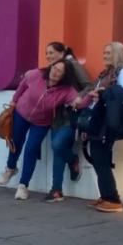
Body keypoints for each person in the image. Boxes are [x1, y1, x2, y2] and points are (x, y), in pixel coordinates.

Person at [0, 59, 88, 200]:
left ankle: (23, 185)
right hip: (21, 112)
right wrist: (14, 100)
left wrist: (88, 98)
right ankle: (10, 168)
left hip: (41, 122)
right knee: (15, 141)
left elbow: (79, 102)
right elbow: (23, 85)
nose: (55, 72)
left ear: (64, 76)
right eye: (54, 67)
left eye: (59, 71)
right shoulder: (36, 74)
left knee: (31, 149)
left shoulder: (66, 90)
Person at [81, 41, 123, 213]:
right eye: (104, 53)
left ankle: (112, 199)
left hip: (108, 121)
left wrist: (103, 94)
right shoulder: (106, 73)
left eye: (109, 53)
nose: (105, 56)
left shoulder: (122, 72)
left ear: (118, 54)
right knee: (98, 158)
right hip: (100, 119)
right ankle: (106, 195)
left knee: (101, 158)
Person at [42, 42, 93, 203]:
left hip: (71, 116)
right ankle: (56, 190)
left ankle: (73, 160)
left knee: (57, 145)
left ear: (62, 52)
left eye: (51, 53)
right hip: (56, 117)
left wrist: (78, 98)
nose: (48, 56)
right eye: (47, 53)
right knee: (58, 150)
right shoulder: (54, 68)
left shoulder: (73, 65)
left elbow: (89, 85)